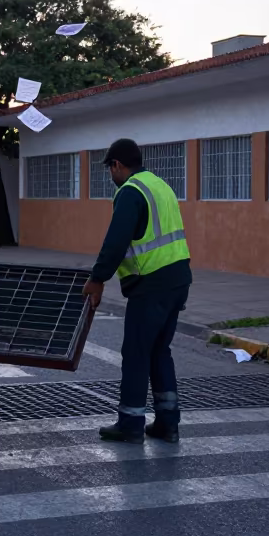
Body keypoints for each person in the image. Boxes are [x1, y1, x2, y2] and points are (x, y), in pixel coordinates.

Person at [82, 138, 192, 444]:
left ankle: (130, 423)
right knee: (160, 351)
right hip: (178, 279)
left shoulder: (130, 191)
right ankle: (168, 423)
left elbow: (116, 241)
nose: (110, 176)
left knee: (135, 353)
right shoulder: (160, 185)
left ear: (117, 165)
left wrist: (97, 279)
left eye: (109, 169)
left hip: (152, 284)